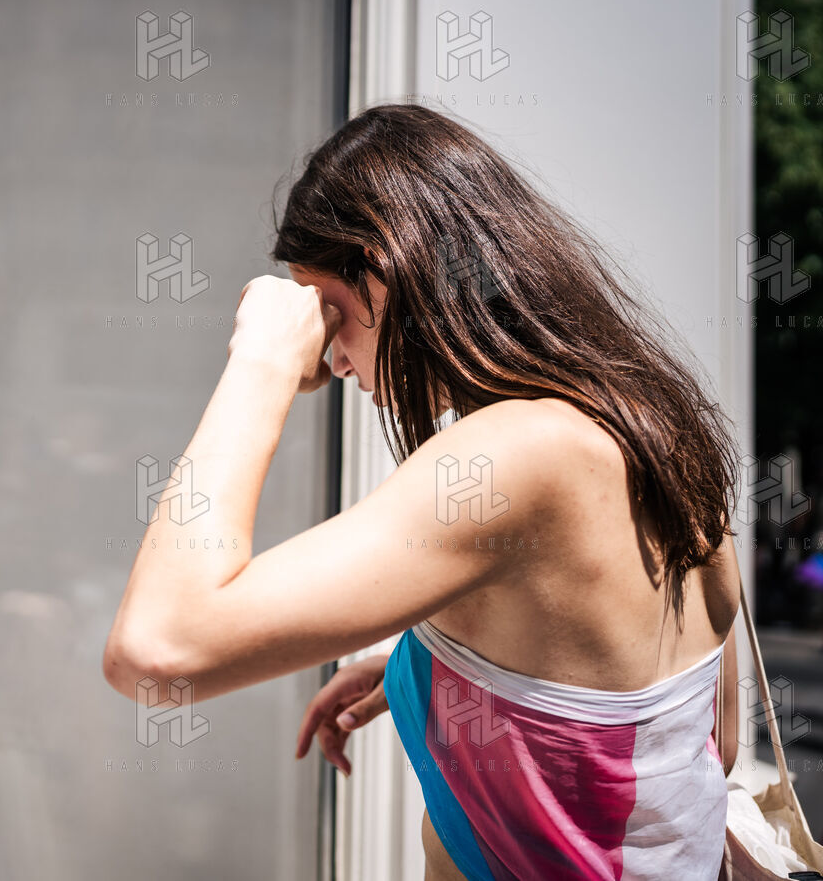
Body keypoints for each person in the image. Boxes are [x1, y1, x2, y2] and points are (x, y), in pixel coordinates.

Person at [103, 103, 742, 880]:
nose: (333, 360)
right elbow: (703, 737)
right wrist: (431, 665)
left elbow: (156, 652)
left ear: (385, 268)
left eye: (328, 313)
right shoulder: (653, 422)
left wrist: (261, 358)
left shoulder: (515, 455)